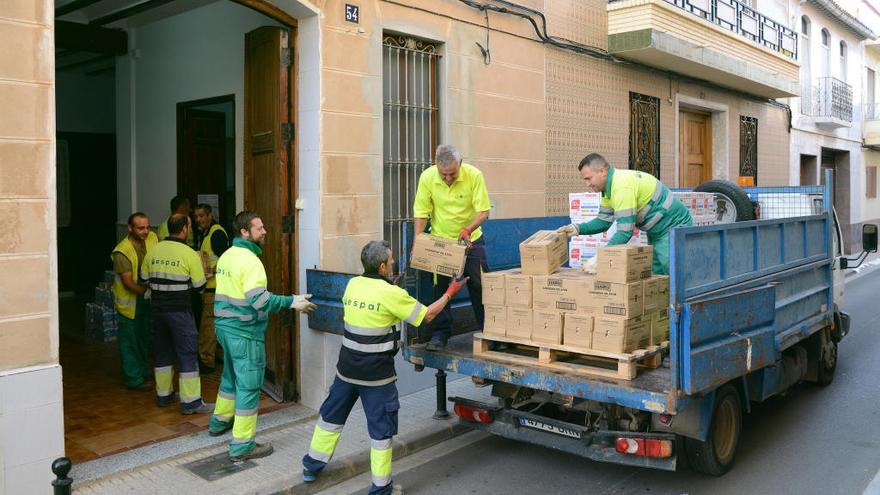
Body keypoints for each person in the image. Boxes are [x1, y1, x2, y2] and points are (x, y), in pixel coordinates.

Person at [302, 240, 467, 495]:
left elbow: (371, 307)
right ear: (381, 267)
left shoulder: (353, 285)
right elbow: (427, 315)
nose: (393, 264)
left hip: (346, 370)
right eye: (390, 261)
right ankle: (381, 488)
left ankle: (311, 466)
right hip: (376, 376)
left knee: (330, 418)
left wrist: (389, 289)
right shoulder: (392, 294)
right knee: (381, 433)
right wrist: (450, 293)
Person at [208, 210, 317, 461]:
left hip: (224, 328)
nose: (265, 231)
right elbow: (259, 300)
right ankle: (242, 445)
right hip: (244, 332)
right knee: (248, 386)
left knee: (230, 375)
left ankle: (220, 421)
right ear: (244, 232)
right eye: (259, 228)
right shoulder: (250, 261)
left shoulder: (227, 256)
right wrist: (292, 302)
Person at [557, 153, 692, 275]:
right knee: (657, 276)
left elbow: (625, 232)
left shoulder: (622, 187)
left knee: (672, 273)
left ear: (602, 171)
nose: (587, 184)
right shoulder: (608, 191)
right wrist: (577, 229)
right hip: (657, 231)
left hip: (673, 227)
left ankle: (681, 303)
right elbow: (603, 222)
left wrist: (600, 258)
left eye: (588, 178)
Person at [412, 144, 490, 351]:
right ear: (436, 166)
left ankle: (489, 334)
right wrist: (417, 241)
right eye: (443, 174)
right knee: (441, 289)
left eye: (452, 174)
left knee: (480, 287)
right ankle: (440, 336)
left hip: (470, 240)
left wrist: (468, 229)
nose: (447, 178)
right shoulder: (428, 177)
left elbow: (483, 211)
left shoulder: (474, 175)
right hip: (442, 243)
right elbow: (421, 211)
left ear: (461, 163)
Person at [140, 214, 212, 414]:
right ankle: (190, 402)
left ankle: (164, 396)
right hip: (180, 312)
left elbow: (143, 278)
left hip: (157, 311)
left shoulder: (153, 251)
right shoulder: (189, 254)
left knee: (162, 353)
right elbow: (199, 287)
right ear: (184, 229)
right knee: (187, 354)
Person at [110, 212, 157, 391]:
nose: (146, 231)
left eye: (147, 227)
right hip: (130, 303)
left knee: (144, 337)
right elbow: (128, 282)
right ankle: (133, 378)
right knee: (129, 341)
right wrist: (146, 291)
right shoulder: (122, 251)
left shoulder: (153, 238)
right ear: (130, 228)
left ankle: (143, 369)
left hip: (146, 299)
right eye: (141, 228)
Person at [194, 203, 229, 374]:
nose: (198, 219)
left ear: (210, 216)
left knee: (208, 326)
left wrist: (212, 271)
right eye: (196, 216)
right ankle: (215, 356)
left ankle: (206, 361)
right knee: (213, 325)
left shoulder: (216, 233)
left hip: (215, 288)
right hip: (209, 287)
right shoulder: (205, 234)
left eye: (201, 216)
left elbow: (227, 258)